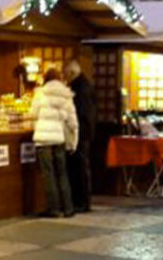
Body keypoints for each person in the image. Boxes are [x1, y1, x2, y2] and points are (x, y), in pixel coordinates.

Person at [30, 68, 78, 218]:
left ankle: (53, 209)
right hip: (59, 139)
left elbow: (33, 114)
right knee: (62, 174)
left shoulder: (40, 93)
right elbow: (72, 122)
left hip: (43, 139)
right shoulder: (66, 96)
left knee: (49, 175)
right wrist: (73, 141)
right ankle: (68, 208)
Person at [64, 60, 96, 213]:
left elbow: (80, 115)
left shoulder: (79, 89)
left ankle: (81, 201)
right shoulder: (85, 85)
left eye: (66, 75)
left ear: (71, 74)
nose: (65, 78)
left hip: (80, 134)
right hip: (85, 132)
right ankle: (83, 201)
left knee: (79, 168)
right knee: (81, 168)